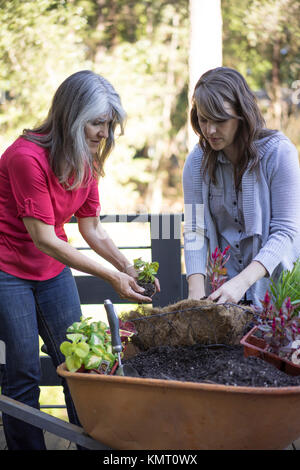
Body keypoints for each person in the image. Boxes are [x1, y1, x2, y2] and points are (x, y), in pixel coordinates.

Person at [0, 70, 159, 450]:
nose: (104, 133)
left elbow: (92, 229)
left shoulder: (84, 160)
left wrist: (128, 268)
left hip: (50, 269)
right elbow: (44, 238)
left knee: (79, 362)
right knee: (22, 372)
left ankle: (93, 446)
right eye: (97, 122)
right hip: (7, 269)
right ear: (71, 116)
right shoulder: (26, 158)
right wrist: (111, 278)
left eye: (108, 124)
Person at [183, 66, 300, 307]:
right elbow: (195, 230)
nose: (210, 130)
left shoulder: (278, 153)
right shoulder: (196, 162)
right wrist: (195, 297)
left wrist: (241, 283)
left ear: (242, 114)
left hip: (280, 297)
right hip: (226, 297)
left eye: (220, 121)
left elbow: (285, 232)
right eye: (204, 120)